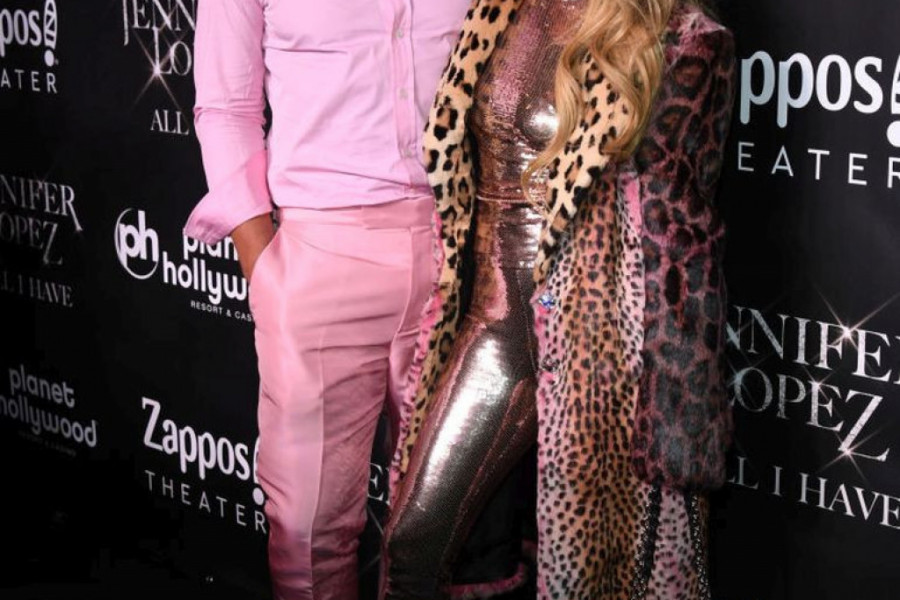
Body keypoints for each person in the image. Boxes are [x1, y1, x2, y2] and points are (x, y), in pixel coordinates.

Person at [383, 0, 736, 598]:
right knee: (417, 544)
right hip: (486, 319)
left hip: (585, 347)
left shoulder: (681, 35)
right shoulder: (504, 7)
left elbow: (683, 238)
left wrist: (679, 411)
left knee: (441, 550)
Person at [185, 1, 473, 598]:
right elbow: (226, 107)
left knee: (442, 530)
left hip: (458, 253)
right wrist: (264, 267)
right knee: (308, 536)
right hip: (319, 260)